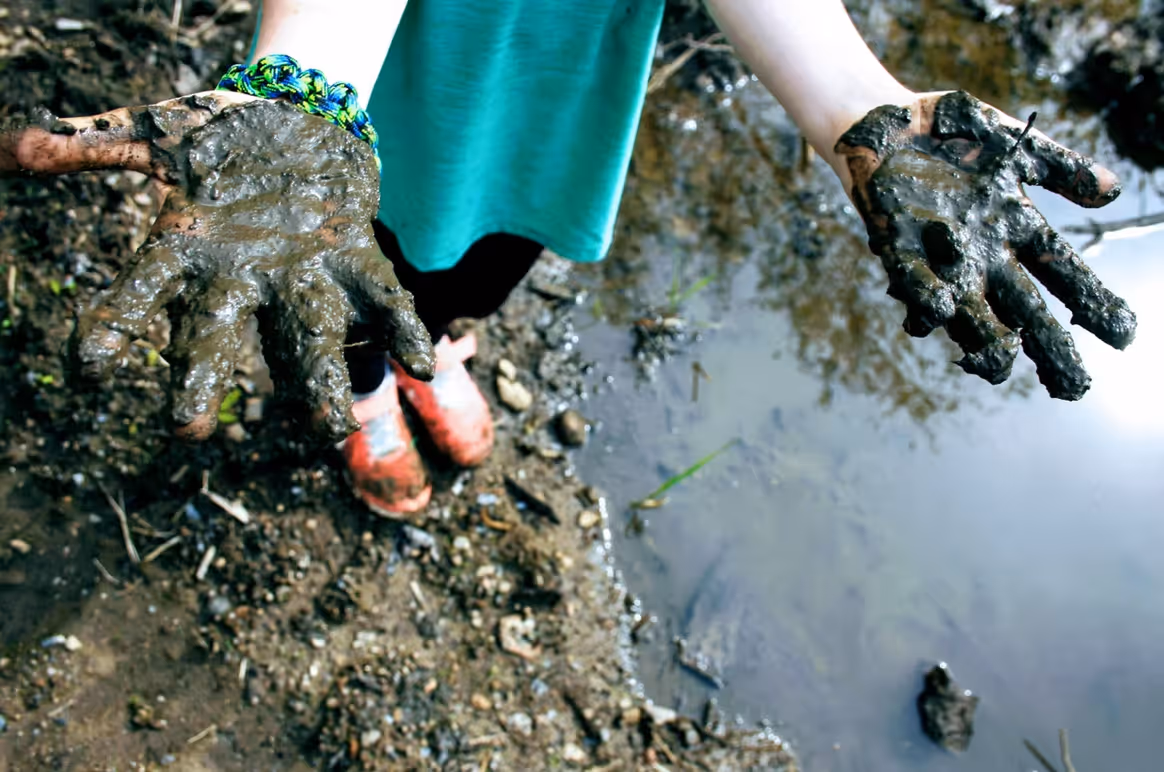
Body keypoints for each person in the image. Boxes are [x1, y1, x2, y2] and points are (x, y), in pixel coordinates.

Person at [0, 0, 1134, 516]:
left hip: (550, 115)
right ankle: (366, 396)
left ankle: (436, 353)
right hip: (391, 100)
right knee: (359, 277)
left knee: (486, 269)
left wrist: (855, 108)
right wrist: (305, 86)